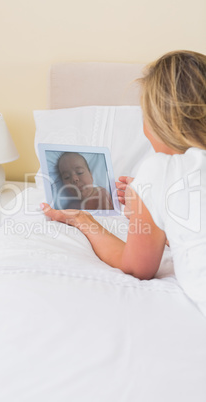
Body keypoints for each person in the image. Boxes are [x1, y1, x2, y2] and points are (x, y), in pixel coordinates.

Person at [41, 50, 206, 316]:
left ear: (159, 122)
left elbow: (135, 267)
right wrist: (157, 211)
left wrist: (82, 219)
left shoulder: (158, 170)